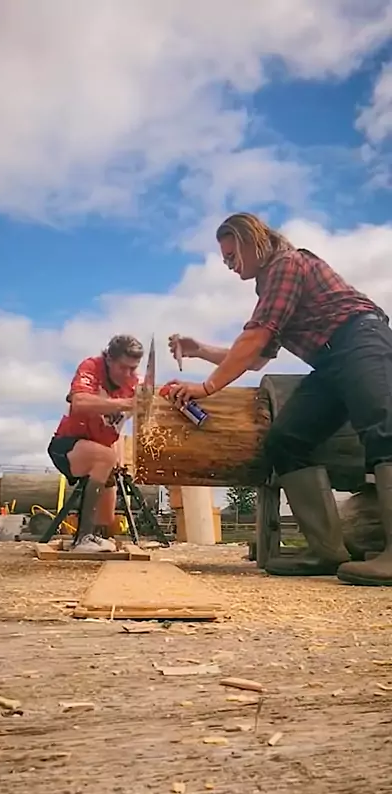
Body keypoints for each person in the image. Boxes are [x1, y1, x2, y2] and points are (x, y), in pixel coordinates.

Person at [167, 211, 392, 587]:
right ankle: (327, 551)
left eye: (231, 255)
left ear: (252, 241)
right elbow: (257, 357)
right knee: (286, 441)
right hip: (329, 361)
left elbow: (254, 339)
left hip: (361, 340)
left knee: (383, 429)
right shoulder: (269, 285)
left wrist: (206, 388)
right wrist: (199, 350)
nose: (228, 265)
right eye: (224, 259)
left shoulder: (286, 264)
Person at [48, 334, 144, 553]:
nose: (128, 374)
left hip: (99, 449)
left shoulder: (135, 384)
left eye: (133, 368)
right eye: (123, 367)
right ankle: (82, 539)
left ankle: (94, 535)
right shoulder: (92, 367)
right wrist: (125, 403)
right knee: (105, 457)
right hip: (67, 445)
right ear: (109, 359)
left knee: (107, 515)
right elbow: (79, 402)